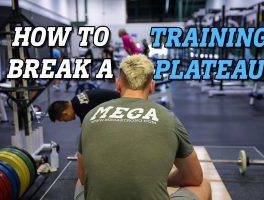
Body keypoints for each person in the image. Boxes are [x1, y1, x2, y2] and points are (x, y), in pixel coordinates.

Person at [75, 54, 211, 200]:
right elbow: (194, 177)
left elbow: (83, 178)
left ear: (118, 84)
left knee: (79, 182)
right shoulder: (168, 118)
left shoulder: (91, 115)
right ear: (152, 86)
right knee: (203, 184)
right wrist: (159, 181)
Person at [48, 89, 120, 123]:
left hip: (125, 105)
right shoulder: (76, 100)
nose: (66, 121)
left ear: (65, 113)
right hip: (121, 100)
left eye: (63, 120)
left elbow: (87, 133)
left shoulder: (81, 108)